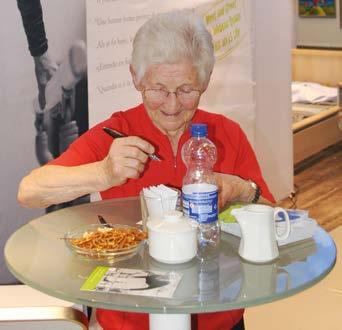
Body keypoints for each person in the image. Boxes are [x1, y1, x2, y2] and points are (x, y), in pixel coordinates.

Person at [18, 9, 275, 330]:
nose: (171, 105)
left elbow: (274, 223)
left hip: (217, 312)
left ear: (206, 80)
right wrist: (104, 172)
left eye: (186, 90)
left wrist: (242, 189)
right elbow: (30, 191)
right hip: (133, 315)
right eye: (157, 89)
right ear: (136, 78)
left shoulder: (226, 133)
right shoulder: (118, 130)